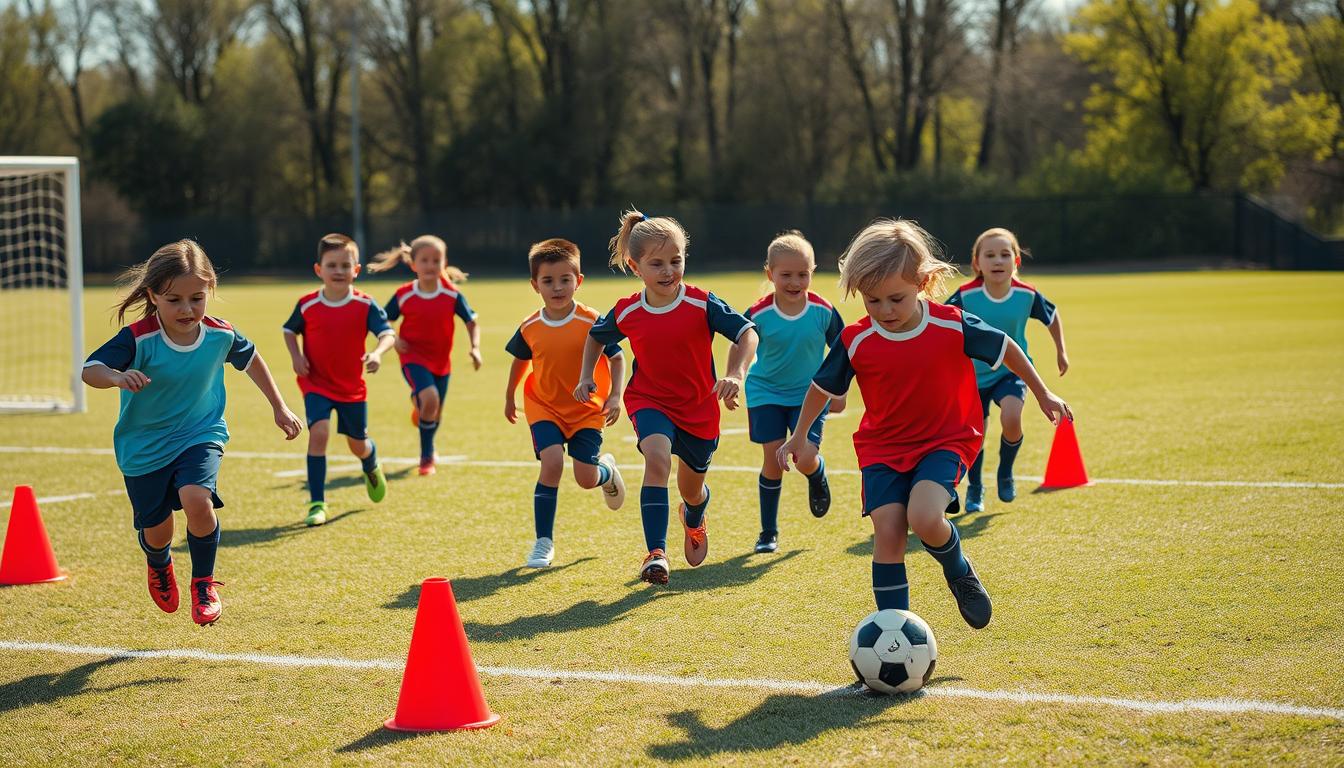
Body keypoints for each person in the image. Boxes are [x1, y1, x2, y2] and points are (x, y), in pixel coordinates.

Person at [777, 219, 1072, 629]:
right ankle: (892, 633)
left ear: (923, 281)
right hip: (883, 448)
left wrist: (1042, 394)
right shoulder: (856, 339)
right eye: (872, 301)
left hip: (946, 439)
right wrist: (799, 435)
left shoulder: (952, 323)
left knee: (925, 517)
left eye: (895, 298)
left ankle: (958, 570)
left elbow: (1007, 348)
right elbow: (820, 387)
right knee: (889, 532)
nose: (884, 311)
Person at [82, 239, 303, 625]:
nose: (187, 309)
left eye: (197, 298)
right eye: (174, 300)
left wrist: (279, 406)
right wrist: (117, 376)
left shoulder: (220, 334)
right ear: (152, 295)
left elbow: (251, 359)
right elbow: (90, 370)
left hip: (200, 433)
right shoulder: (139, 338)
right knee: (157, 530)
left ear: (210, 290)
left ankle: (203, 583)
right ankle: (159, 562)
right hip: (143, 445)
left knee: (197, 500)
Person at [577, 208, 759, 585]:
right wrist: (586, 377)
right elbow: (597, 335)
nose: (668, 271)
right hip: (649, 400)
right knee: (657, 461)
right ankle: (656, 554)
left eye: (675, 261)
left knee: (691, 490)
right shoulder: (628, 310)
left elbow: (747, 334)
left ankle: (694, 515)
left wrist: (734, 374)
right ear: (635, 266)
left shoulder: (701, 303)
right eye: (656, 263)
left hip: (699, 409)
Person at [505, 238, 627, 568]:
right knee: (552, 464)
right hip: (543, 406)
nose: (557, 287)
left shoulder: (594, 321)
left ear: (579, 281)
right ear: (535, 285)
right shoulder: (530, 326)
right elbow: (520, 360)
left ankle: (607, 472)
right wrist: (509, 396)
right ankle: (543, 542)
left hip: (587, 411)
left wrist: (615, 396)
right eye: (548, 281)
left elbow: (617, 358)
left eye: (565, 280)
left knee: (585, 478)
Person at [947, 227, 1069, 512]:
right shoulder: (965, 296)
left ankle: (1005, 471)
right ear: (977, 263)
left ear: (1017, 261)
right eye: (989, 255)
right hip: (973, 377)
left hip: (1012, 372)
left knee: (1012, 418)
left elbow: (1051, 315)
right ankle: (975, 487)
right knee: (975, 435)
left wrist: (1061, 350)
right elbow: (943, 323)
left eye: (1005, 254)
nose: (997, 261)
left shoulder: (1026, 294)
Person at [742, 231, 845, 554]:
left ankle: (817, 473)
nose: (795, 281)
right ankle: (768, 532)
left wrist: (839, 390)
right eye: (786, 275)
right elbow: (742, 344)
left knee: (804, 459)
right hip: (765, 392)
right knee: (774, 461)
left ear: (812, 272)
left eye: (803, 274)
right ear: (769, 274)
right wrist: (735, 375)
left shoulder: (823, 311)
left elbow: (843, 351)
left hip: (809, 395)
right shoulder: (757, 314)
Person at [282, 233, 396, 526]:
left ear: (356, 270)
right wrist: (296, 356)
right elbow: (288, 330)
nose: (339, 271)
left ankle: (370, 462)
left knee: (357, 444)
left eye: (346, 265)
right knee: (318, 434)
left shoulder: (365, 304)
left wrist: (378, 353)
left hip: (351, 388)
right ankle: (317, 503)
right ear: (319, 269)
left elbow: (387, 334)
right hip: (316, 383)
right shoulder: (307, 304)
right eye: (332, 265)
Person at [370, 235, 482, 476]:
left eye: (436, 260)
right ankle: (426, 457)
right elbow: (383, 320)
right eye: (425, 260)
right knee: (430, 400)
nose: (430, 265)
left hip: (442, 361)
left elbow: (472, 322)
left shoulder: (451, 295)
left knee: (434, 409)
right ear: (413, 265)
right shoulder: (404, 294)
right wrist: (395, 339)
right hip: (413, 357)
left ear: (444, 263)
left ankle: (419, 407)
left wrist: (475, 347)